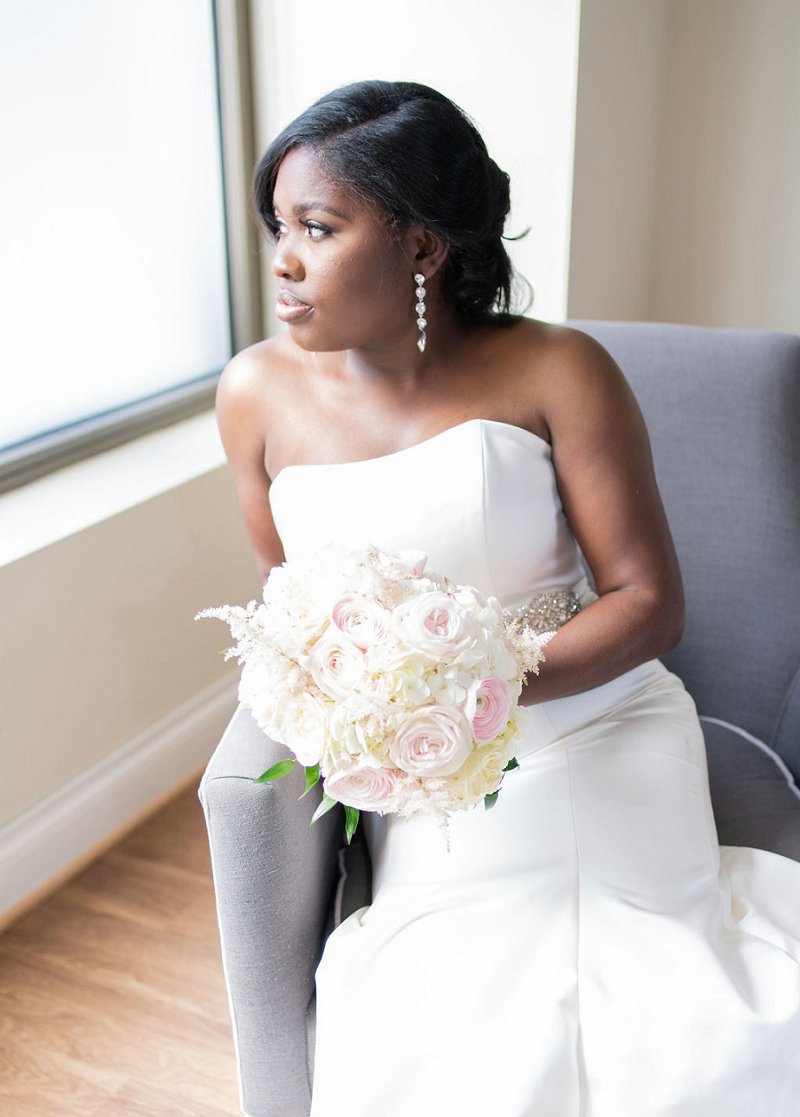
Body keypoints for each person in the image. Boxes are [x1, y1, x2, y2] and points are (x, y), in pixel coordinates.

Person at [214, 80, 800, 1116]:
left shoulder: (557, 368)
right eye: (278, 227)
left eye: (317, 226)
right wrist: (379, 718)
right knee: (440, 1014)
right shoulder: (251, 394)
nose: (283, 261)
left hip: (593, 725)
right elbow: (286, 604)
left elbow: (646, 600)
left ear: (420, 246)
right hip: (424, 771)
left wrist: (474, 687)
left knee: (635, 1002)